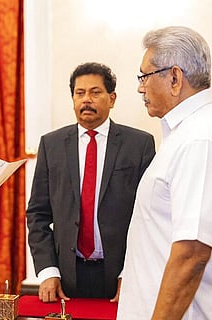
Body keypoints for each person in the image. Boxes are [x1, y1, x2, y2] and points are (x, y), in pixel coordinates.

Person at [117, 26, 212, 319]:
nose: (140, 88)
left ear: (174, 77)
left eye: (144, 76)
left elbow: (192, 253)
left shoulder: (201, 138)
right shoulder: (188, 134)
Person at [26, 62, 155, 302]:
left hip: (120, 275)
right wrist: (47, 270)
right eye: (80, 93)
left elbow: (150, 217)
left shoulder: (139, 145)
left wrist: (131, 273)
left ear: (112, 98)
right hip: (65, 277)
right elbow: (37, 215)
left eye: (95, 93)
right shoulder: (51, 145)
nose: (87, 100)